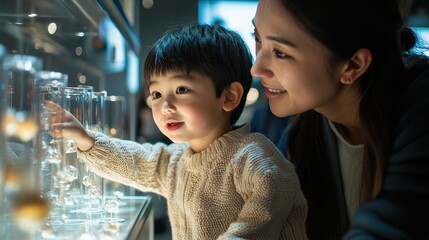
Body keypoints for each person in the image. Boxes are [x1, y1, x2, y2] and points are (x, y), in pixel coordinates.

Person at [47, 24, 308, 239]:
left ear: (229, 96)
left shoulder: (253, 159)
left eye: (181, 89)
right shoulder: (176, 161)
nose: (165, 106)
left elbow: (259, 219)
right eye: (157, 94)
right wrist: (85, 140)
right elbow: (134, 161)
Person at [251, 0, 429, 239]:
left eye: (280, 53)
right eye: (257, 38)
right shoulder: (299, 137)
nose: (256, 68)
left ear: (353, 66)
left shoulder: (421, 109)